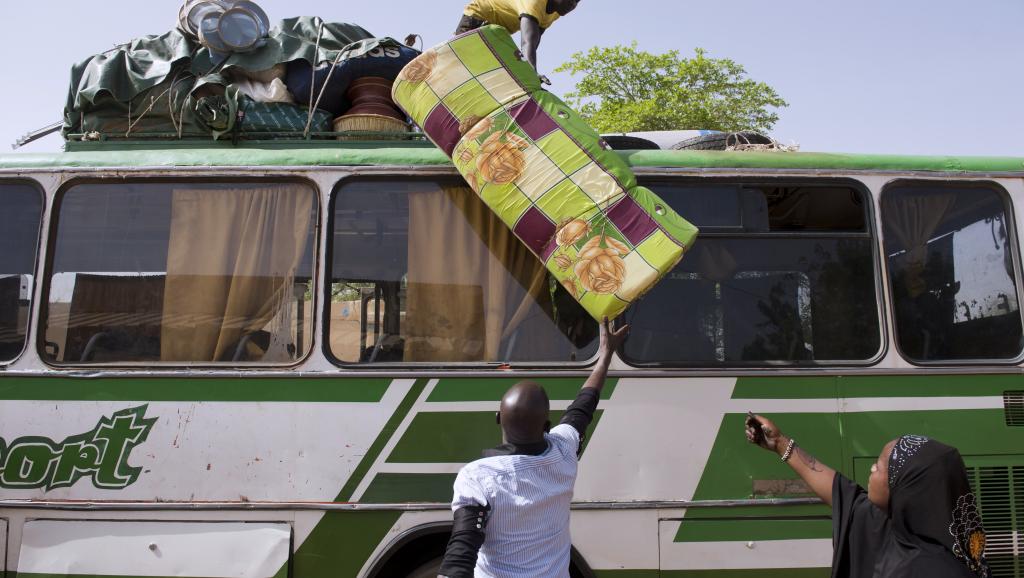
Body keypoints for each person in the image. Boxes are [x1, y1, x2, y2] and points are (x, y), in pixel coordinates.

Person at [438, 317, 627, 578]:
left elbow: (462, 551)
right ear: (546, 425)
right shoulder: (563, 452)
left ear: (498, 418)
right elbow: (583, 406)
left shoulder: (477, 477)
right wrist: (605, 355)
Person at [745, 414, 991, 578]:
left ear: (906, 490)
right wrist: (779, 443)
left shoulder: (938, 571)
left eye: (881, 466)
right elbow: (841, 492)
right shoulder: (890, 526)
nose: (871, 469)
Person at [454, 0, 580, 70]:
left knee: (496, 69)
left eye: (577, 1)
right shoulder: (534, 3)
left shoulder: (554, 14)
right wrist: (532, 75)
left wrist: (528, 72)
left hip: (498, 32)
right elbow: (527, 43)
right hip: (478, 17)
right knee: (461, 60)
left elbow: (534, 44)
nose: (573, 4)